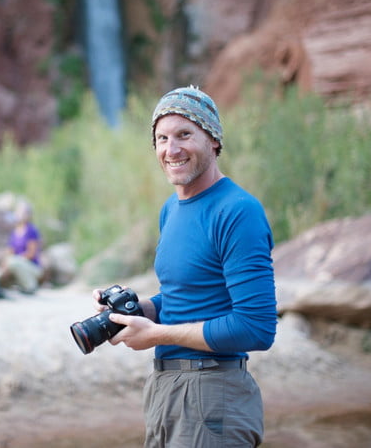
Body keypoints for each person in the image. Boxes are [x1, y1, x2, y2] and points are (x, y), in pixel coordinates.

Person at [92, 85, 277, 447]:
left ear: (213, 140)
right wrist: (137, 310)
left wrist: (156, 334)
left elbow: (257, 328)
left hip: (213, 396)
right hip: (165, 392)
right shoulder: (171, 210)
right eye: (162, 138)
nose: (171, 149)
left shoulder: (238, 211)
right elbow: (186, 294)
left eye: (184, 135)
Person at [0, 199, 43, 294]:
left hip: (32, 267)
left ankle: (30, 287)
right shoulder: (14, 232)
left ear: (28, 215)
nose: (19, 214)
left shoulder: (32, 230)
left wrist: (14, 259)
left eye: (22, 212)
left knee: (14, 262)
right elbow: (9, 252)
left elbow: (31, 254)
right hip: (16, 264)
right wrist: (4, 264)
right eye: (18, 212)